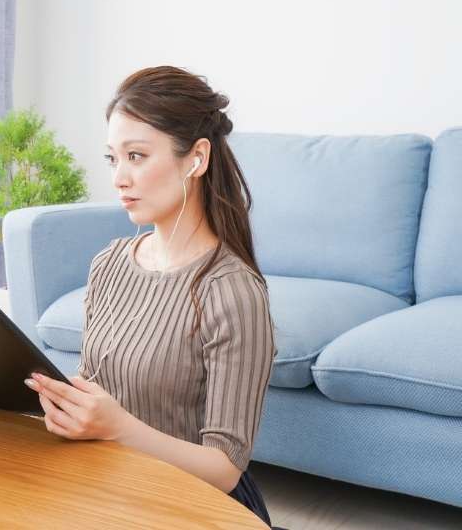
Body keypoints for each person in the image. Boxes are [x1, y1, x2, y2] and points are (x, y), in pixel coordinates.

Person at [23, 65, 280, 528]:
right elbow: (94, 384)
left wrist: (117, 428)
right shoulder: (109, 263)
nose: (120, 178)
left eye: (137, 156)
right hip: (112, 484)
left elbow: (224, 468)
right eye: (113, 159)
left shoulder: (233, 292)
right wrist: (68, 409)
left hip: (196, 505)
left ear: (197, 158)